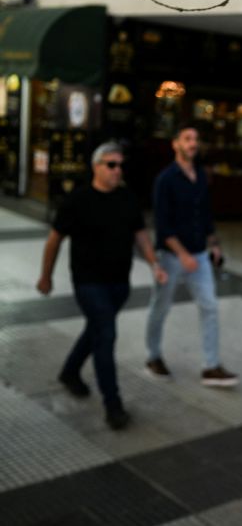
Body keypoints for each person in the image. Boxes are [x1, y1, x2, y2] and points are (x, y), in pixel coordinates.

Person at [37, 142, 166, 430]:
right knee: (106, 334)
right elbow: (54, 240)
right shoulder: (77, 200)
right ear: (96, 167)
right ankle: (113, 404)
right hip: (88, 282)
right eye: (111, 164)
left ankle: (70, 372)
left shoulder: (127, 199)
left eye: (120, 165)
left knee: (96, 329)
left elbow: (141, 235)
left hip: (119, 283)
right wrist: (45, 276)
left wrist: (154, 264)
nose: (117, 170)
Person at [144, 123, 238, 387]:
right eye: (187, 138)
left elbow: (205, 216)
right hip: (172, 256)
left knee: (209, 306)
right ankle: (153, 356)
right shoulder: (165, 180)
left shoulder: (200, 174)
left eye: (195, 139)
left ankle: (211, 366)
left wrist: (214, 244)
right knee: (160, 306)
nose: (192, 143)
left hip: (198, 254)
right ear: (175, 143)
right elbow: (163, 226)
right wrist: (183, 255)